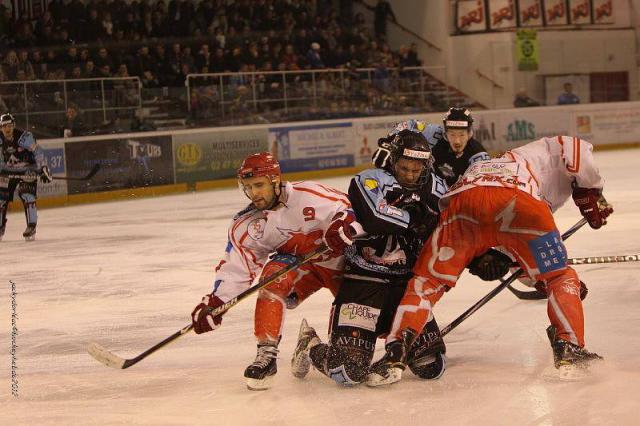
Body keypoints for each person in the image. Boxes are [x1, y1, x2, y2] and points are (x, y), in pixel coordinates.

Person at [366, 135, 613, 386]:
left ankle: (393, 356)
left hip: (463, 204)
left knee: (426, 282)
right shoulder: (549, 148)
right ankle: (569, 347)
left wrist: (499, 261)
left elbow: (504, 231)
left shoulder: (489, 165)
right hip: (519, 202)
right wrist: (595, 192)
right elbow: (577, 151)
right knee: (560, 277)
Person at [291, 130, 449, 386]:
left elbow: (452, 222)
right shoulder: (369, 179)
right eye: (404, 167)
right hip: (364, 279)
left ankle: (396, 343)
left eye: (416, 169)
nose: (410, 174)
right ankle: (310, 344)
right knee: (346, 372)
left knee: (431, 365)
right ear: (394, 160)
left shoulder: (437, 186)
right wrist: (415, 220)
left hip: (404, 284)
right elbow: (375, 217)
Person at [190, 152, 349, 391]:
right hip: (303, 270)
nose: (254, 193)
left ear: (275, 180)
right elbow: (238, 267)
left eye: (259, 185)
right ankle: (266, 355)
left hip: (345, 268)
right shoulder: (247, 225)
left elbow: (355, 211)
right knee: (273, 276)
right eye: (248, 187)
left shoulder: (310, 196)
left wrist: (346, 225)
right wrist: (216, 302)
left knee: (351, 359)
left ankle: (309, 344)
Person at [373, 108, 490, 187]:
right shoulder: (435, 133)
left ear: (469, 133)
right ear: (445, 132)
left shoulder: (478, 155)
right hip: (425, 186)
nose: (457, 141)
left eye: (462, 134)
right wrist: (388, 144)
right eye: (452, 134)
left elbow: (485, 187)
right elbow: (408, 125)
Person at [0, 113, 52, 241]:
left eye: (10, 126)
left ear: (14, 125)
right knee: (1, 198)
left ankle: (31, 226)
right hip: (9, 171)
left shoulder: (24, 137)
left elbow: (37, 151)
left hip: (28, 170)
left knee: (27, 195)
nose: (7, 129)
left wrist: (43, 168)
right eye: (4, 126)